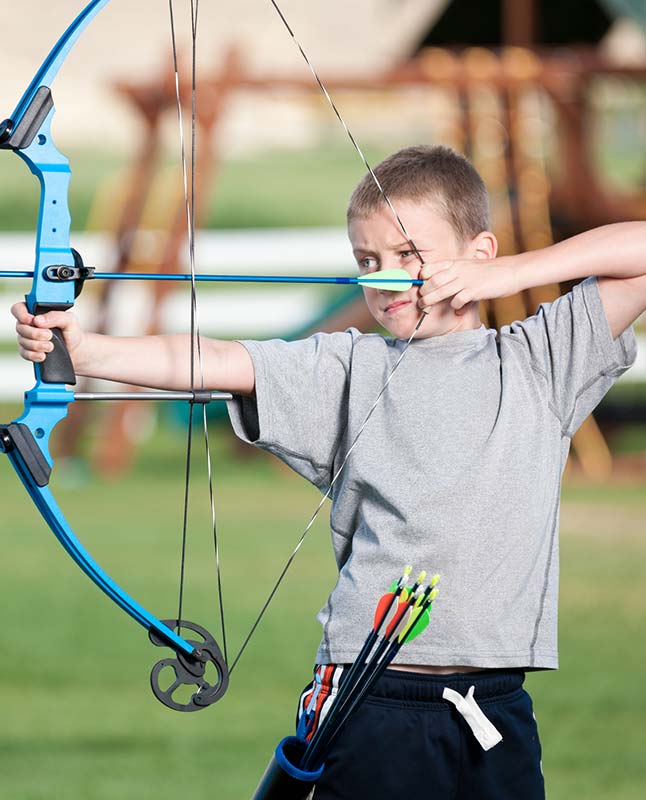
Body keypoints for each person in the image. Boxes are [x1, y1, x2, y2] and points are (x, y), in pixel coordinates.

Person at [13, 145, 645, 799]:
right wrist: (85, 349)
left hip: (496, 703)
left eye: (409, 255)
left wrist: (513, 271)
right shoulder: (347, 370)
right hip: (368, 696)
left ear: (478, 252)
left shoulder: (543, 361)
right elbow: (213, 358)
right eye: (367, 262)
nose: (385, 278)